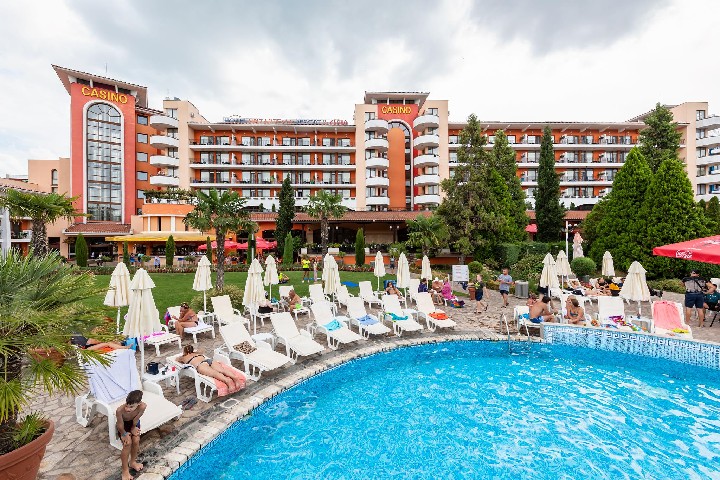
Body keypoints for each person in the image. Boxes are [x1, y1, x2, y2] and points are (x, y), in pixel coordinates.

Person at [177, 345, 242, 391]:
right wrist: (195, 351)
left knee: (215, 373)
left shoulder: (183, 357)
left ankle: (228, 381)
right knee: (222, 370)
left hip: (200, 365)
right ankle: (235, 378)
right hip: (209, 360)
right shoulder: (197, 353)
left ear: (185, 352)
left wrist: (184, 355)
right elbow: (202, 349)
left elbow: (176, 359)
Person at [116, 390, 146, 480]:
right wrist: (124, 434)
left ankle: (133, 462)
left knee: (136, 440)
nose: (127, 409)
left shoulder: (142, 406)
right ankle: (125, 471)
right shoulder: (120, 410)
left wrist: (133, 428)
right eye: (127, 405)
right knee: (127, 444)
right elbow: (120, 425)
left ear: (138, 404)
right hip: (123, 427)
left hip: (134, 424)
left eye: (131, 407)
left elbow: (136, 419)